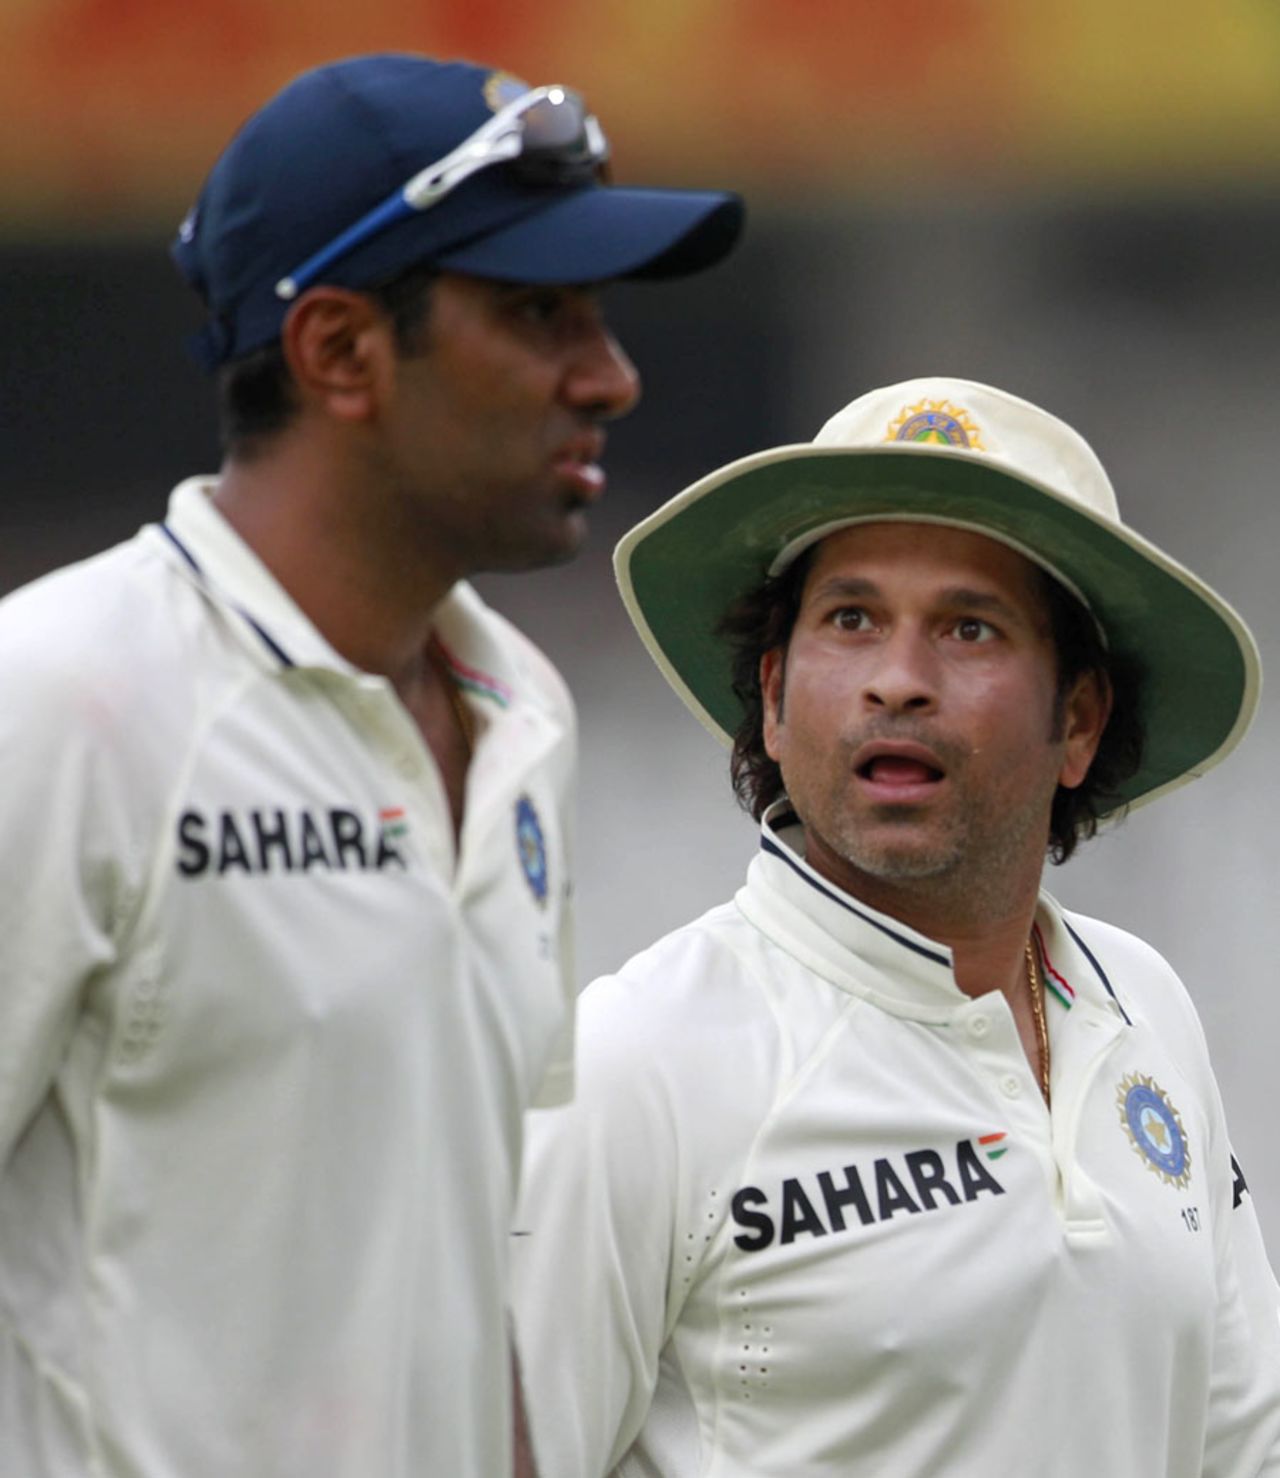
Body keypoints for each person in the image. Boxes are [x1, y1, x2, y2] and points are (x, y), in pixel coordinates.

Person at [0, 53, 743, 1478]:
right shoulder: (61, 700)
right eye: (538, 313)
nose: (611, 375)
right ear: (340, 351)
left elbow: (459, 1270)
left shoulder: (523, 715)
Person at [511, 377, 1280, 1476]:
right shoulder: (636, 1061)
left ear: (1077, 720)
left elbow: (1241, 1446)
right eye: (851, 619)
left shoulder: (1142, 1006)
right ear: (773, 697)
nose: (898, 682)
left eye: (969, 627)